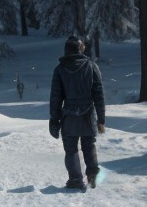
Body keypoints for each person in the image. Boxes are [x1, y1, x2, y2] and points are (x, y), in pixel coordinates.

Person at [49, 35, 106, 190]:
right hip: (88, 114)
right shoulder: (91, 66)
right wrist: (101, 119)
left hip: (68, 116)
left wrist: (54, 120)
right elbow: (98, 94)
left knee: (71, 149)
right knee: (89, 145)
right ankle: (93, 175)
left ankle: (75, 180)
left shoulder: (59, 70)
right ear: (80, 49)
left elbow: (56, 97)